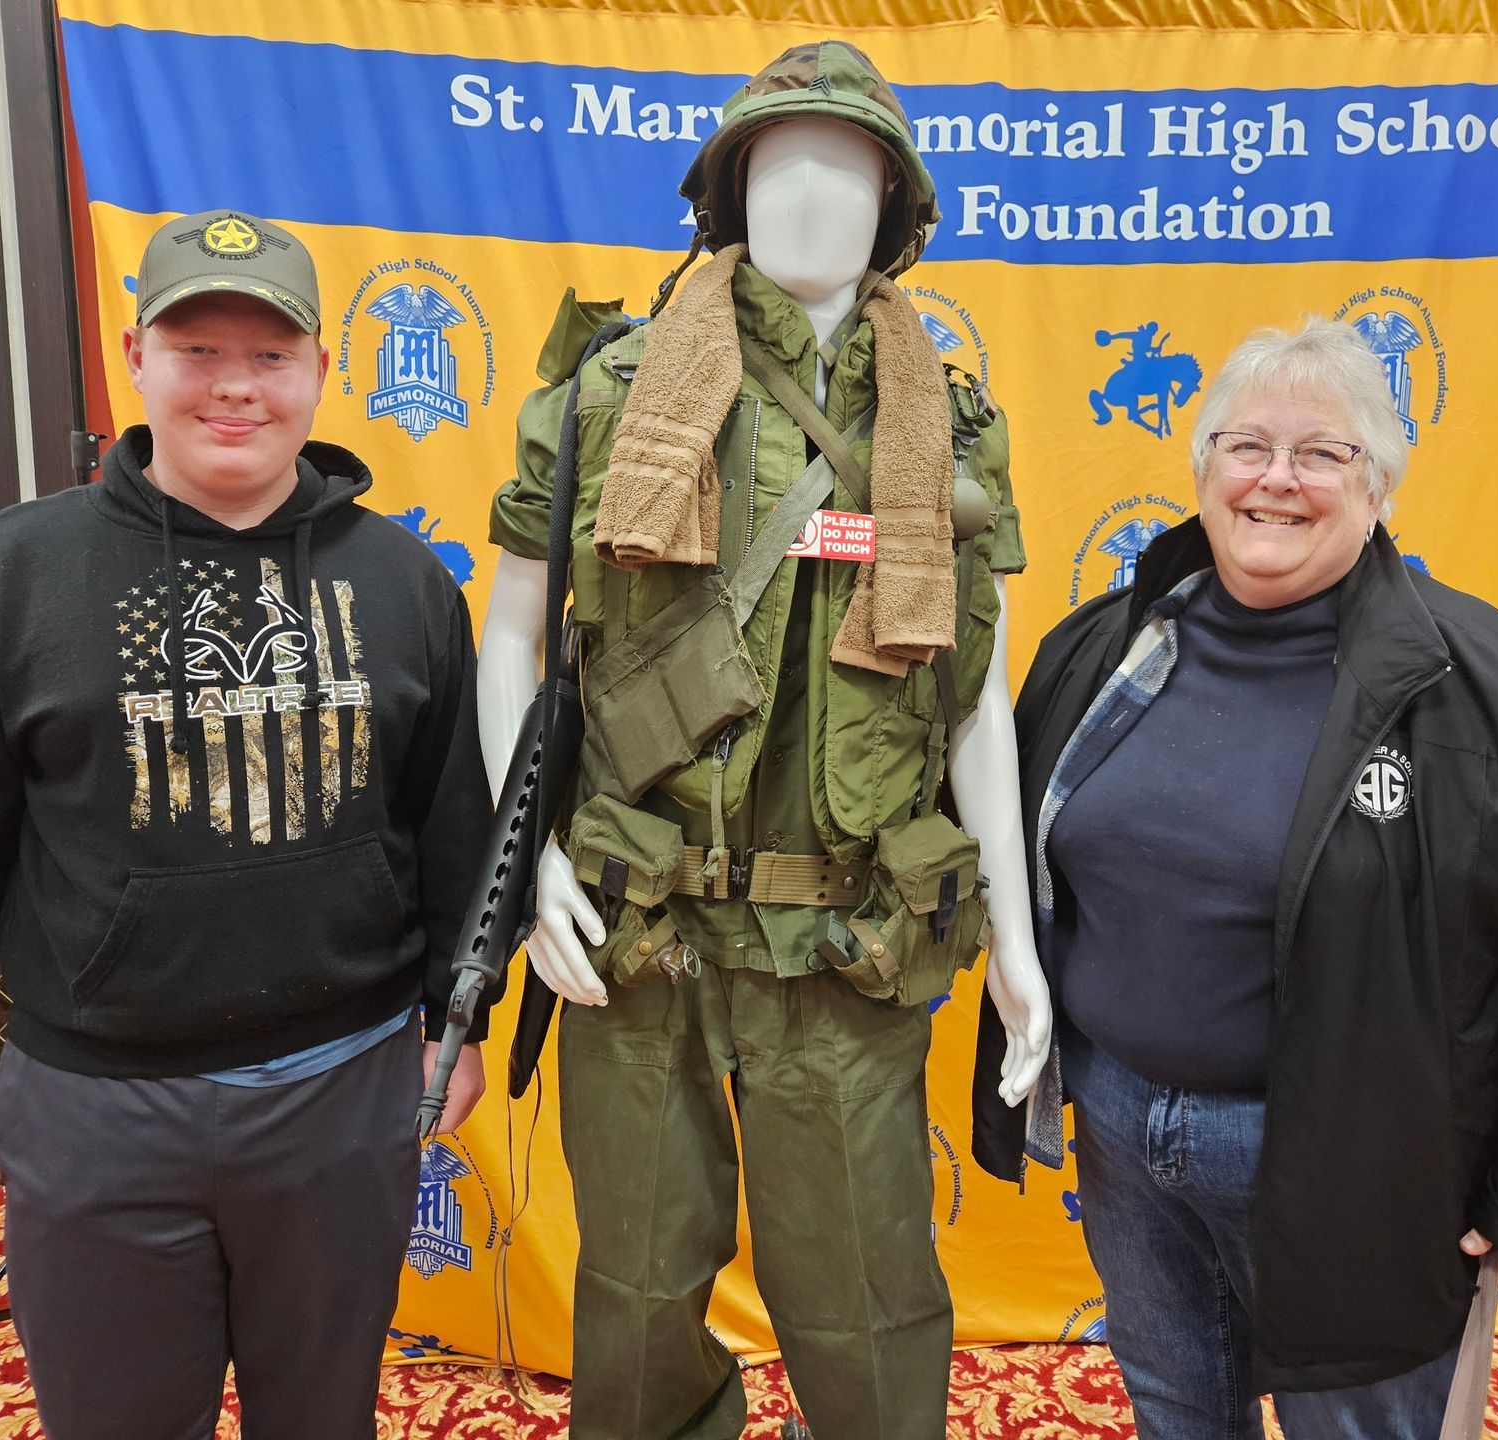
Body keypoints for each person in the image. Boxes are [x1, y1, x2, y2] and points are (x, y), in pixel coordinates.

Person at [480, 41, 1049, 1440]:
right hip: (636, 918)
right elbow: (513, 639)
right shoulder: (608, 392)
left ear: (896, 209)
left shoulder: (951, 422)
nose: (806, 196)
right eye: (775, 165)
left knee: (865, 1298)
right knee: (633, 1285)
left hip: (845, 935)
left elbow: (974, 691)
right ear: (724, 198)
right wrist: (526, 861)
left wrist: (1021, 946)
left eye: (844, 168)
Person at [971, 318, 1498, 1439]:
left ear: (1382, 487)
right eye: (1246, 446)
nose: (1277, 480)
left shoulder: (1496, 690)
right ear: (1203, 468)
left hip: (1365, 1166)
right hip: (1121, 1132)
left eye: (1323, 454)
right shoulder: (1098, 648)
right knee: (1175, 1409)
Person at [0, 208, 491, 1440]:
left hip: (343, 1090)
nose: (235, 388)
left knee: (324, 1418)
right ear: (136, 357)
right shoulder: (12, 574)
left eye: (269, 355)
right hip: (99, 1103)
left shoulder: (401, 580)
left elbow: (447, 825)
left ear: (320, 370)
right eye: (198, 350)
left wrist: (455, 1013)